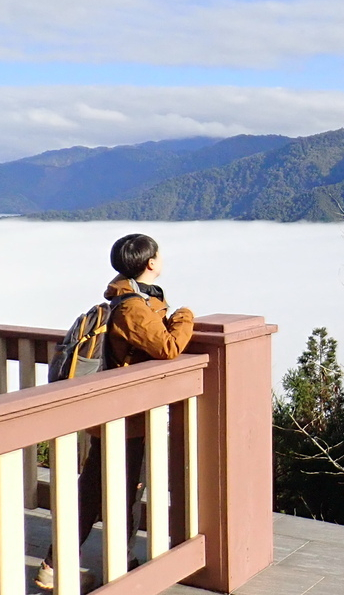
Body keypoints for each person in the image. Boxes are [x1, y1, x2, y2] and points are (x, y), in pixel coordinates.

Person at [36, 233, 195, 591]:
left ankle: (58, 563)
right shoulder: (132, 307)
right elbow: (168, 347)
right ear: (150, 263)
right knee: (123, 490)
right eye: (159, 255)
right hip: (125, 418)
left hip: (115, 417)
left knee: (95, 489)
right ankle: (120, 564)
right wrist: (185, 316)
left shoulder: (131, 301)